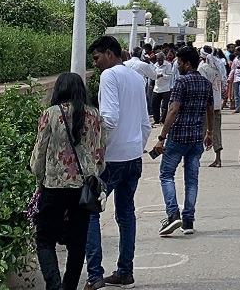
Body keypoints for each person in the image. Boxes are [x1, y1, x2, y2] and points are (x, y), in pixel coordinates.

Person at [85, 36, 152, 290]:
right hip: (133, 156)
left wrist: (97, 150)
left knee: (90, 211)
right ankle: (125, 271)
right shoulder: (136, 77)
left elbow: (109, 118)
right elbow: (145, 123)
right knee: (126, 214)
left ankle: (94, 275)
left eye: (97, 57)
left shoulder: (109, 76)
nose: (97, 63)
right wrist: (135, 145)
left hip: (111, 158)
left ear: (110, 54)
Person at [30, 73, 106, 290]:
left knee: (45, 240)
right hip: (84, 189)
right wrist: (92, 173)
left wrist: (39, 179)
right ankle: (69, 286)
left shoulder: (50, 115)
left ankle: (54, 285)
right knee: (77, 243)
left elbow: (39, 154)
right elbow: (100, 156)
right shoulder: (94, 115)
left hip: (54, 186)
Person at [152, 45, 214, 237]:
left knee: (166, 175)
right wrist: (210, 132)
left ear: (187, 64)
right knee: (192, 180)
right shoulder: (205, 83)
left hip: (178, 137)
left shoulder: (181, 82)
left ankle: (172, 214)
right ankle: (188, 220)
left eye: (179, 62)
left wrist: (161, 137)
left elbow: (173, 110)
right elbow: (210, 110)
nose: (177, 66)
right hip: (196, 138)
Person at [199, 45, 227, 168]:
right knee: (216, 131)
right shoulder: (218, 68)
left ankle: (196, 158)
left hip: (205, 104)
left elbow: (203, 86)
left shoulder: (202, 68)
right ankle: (218, 159)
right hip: (216, 104)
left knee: (201, 131)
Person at [152, 50, 176, 123]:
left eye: (160, 60)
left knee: (164, 106)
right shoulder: (155, 65)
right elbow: (152, 75)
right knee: (155, 104)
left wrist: (162, 75)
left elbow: (170, 76)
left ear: (163, 59)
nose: (159, 62)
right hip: (156, 88)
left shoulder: (168, 65)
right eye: (158, 60)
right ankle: (156, 119)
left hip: (165, 88)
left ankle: (163, 120)